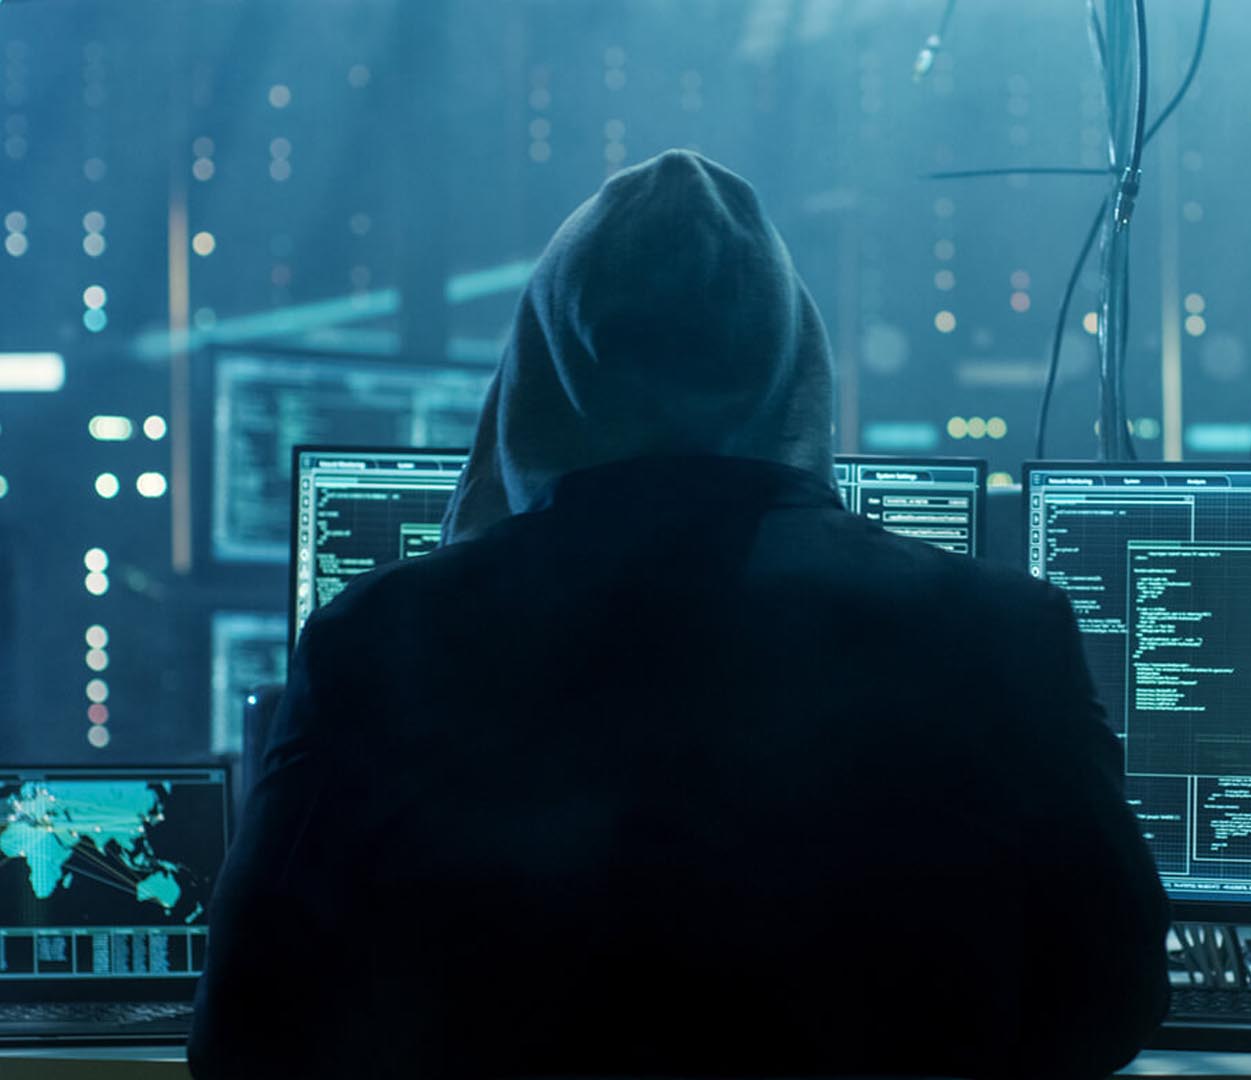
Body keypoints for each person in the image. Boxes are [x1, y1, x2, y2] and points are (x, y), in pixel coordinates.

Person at [189, 149, 1170, 1080]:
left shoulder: (380, 639)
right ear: (797, 372)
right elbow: (1115, 1001)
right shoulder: (1001, 633)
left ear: (540, 375)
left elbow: (247, 1034)